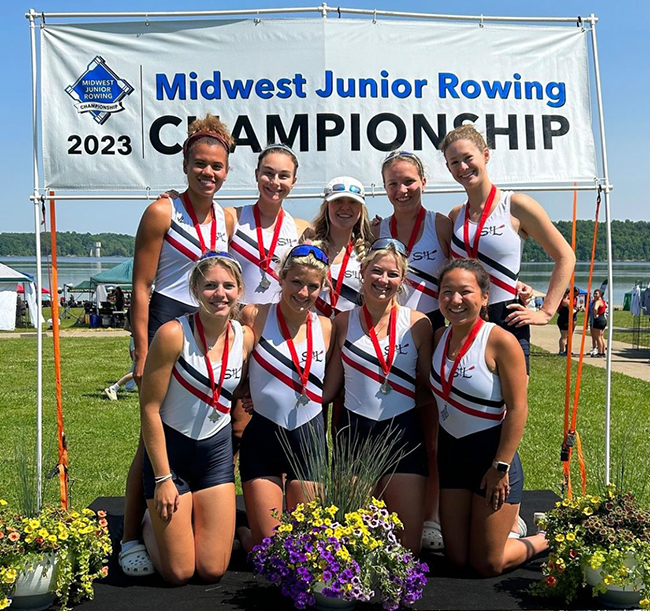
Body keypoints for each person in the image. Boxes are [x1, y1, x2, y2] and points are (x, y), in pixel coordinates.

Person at [120, 114, 235, 576]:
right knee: (149, 437)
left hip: (208, 329)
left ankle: (197, 512)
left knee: (198, 422)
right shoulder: (162, 211)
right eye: (200, 165)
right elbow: (142, 287)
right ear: (185, 163)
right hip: (169, 327)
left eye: (218, 167)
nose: (209, 173)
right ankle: (131, 535)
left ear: (227, 170)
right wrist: (142, 348)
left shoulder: (227, 216)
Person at [140, 252, 254, 584]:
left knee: (212, 570)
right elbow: (148, 408)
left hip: (214, 456)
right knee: (178, 573)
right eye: (210, 286)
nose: (220, 294)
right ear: (194, 288)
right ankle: (150, 525)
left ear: (239, 290)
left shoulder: (244, 337)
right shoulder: (173, 334)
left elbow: (237, 387)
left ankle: (187, 524)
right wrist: (162, 478)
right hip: (171, 458)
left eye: (228, 286)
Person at [430, 258, 548, 576]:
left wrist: (501, 467)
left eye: (465, 292)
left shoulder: (500, 340)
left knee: (487, 563)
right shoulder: (438, 337)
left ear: (484, 296)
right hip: (453, 459)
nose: (455, 300)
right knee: (456, 559)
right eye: (447, 291)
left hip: (492, 462)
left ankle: (546, 539)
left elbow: (518, 409)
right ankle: (500, 530)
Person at [322, 238, 433, 555]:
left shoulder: (418, 323)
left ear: (402, 279)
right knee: (349, 543)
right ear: (363, 270)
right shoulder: (342, 322)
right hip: (355, 438)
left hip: (404, 438)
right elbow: (329, 389)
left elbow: (429, 386)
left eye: (393, 274)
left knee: (406, 547)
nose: (384, 280)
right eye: (377, 271)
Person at [441, 124, 576, 373]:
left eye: (468, 158)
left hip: (507, 316)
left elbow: (565, 256)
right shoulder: (456, 215)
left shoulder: (516, 205)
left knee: (512, 405)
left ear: (486, 155)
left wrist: (546, 311)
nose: (462, 167)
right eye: (454, 162)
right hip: (464, 317)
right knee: (468, 402)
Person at [375, 151, 450, 552]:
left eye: (409, 181)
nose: (401, 190)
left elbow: (468, 271)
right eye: (392, 183)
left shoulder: (440, 224)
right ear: (384, 187)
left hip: (432, 335)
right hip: (387, 338)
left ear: (424, 181)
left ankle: (432, 517)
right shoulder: (375, 227)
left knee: (431, 432)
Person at [237, 244, 332, 553]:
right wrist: (246, 390)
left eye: (313, 286)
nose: (304, 292)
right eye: (296, 282)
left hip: (310, 440)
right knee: (271, 550)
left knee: (306, 549)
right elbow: (230, 365)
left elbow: (330, 384)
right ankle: (246, 533)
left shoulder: (327, 327)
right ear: (281, 278)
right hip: (263, 437)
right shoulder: (254, 315)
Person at [225, 144, 311, 459]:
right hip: (236, 333)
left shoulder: (301, 228)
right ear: (257, 175)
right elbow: (197, 215)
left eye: (283, 176)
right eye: (268, 173)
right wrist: (174, 197)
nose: (275, 182)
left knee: (267, 421)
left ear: (294, 181)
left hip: (277, 336)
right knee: (230, 425)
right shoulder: (232, 217)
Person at [307, 175, 373, 318]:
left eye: (353, 202)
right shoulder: (308, 249)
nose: (345, 207)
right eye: (338, 201)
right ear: (327, 206)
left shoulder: (368, 254)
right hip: (314, 332)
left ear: (360, 210)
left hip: (353, 335)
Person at [104, 308, 137, 400]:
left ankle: (128, 387)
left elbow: (126, 327)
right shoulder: (140, 310)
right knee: (139, 369)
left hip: (133, 339)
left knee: (137, 367)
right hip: (138, 341)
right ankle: (114, 388)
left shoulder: (130, 311)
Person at [556, 288, 577, 356]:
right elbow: (572, 311)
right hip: (565, 320)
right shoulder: (567, 301)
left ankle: (564, 350)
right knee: (564, 336)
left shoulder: (561, 300)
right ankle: (562, 351)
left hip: (562, 318)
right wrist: (577, 310)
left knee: (564, 336)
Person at [591, 288, 607, 357]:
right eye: (594, 293)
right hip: (603, 319)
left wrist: (595, 315)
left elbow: (595, 308)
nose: (595, 295)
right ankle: (603, 351)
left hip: (599, 319)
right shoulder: (602, 301)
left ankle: (600, 352)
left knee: (598, 337)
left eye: (596, 294)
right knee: (601, 336)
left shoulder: (598, 302)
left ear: (600, 294)